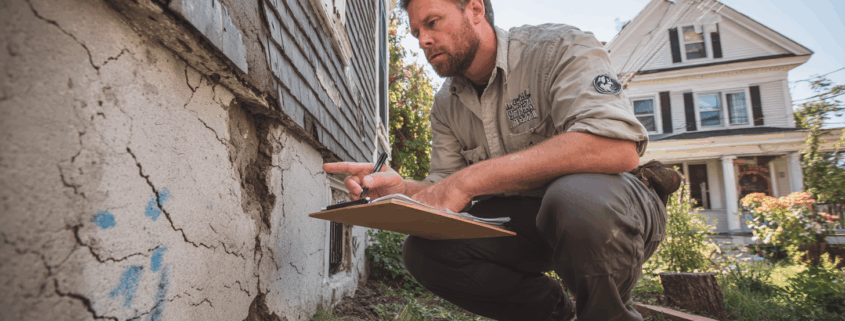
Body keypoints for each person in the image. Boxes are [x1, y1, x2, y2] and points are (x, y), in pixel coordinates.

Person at [323, 0, 682, 319]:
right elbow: (444, 190)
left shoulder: (560, 46)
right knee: (424, 251)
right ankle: (554, 314)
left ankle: (607, 316)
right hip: (528, 221)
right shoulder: (446, 103)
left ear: (475, 10)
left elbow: (616, 147)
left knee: (573, 199)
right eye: (416, 32)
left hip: (613, 210)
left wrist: (470, 180)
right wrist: (402, 191)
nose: (423, 41)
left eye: (432, 23)